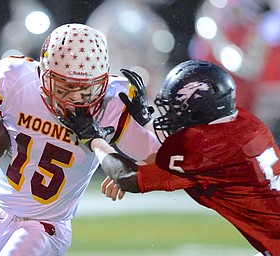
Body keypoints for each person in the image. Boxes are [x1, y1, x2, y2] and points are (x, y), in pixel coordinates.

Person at [0, 23, 160, 256]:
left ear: (103, 82)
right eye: (65, 86)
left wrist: (133, 171)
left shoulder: (111, 104)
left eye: (85, 89)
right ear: (44, 75)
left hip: (46, 228)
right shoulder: (17, 83)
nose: (75, 98)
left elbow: (164, 159)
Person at [64, 60, 280, 256]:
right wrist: (145, 122)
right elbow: (175, 159)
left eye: (177, 110)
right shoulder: (243, 122)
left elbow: (128, 177)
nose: (170, 117)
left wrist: (93, 139)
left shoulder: (204, 147)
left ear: (201, 109)